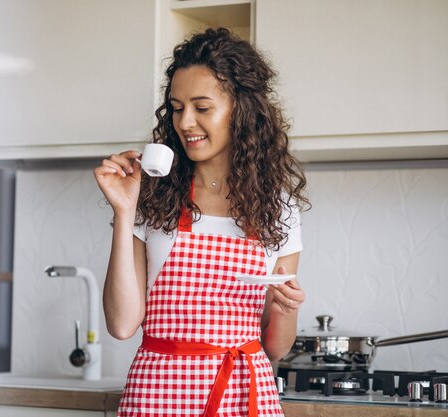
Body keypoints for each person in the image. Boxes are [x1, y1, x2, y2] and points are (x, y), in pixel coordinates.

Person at [93, 28, 309, 417]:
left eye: (202, 107)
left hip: (243, 395)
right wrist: (124, 213)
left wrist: (287, 307)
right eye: (177, 107)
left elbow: (275, 347)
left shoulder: (277, 208)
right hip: (157, 395)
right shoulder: (152, 197)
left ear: (241, 110)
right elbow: (123, 325)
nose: (185, 122)